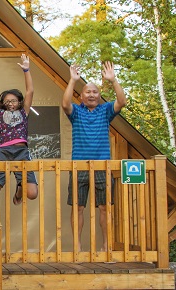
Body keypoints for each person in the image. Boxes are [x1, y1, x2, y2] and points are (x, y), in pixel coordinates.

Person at [60, 62, 127, 252]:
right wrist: (73, 80)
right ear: (81, 96)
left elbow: (121, 102)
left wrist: (113, 80)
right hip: (79, 165)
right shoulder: (77, 112)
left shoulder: (105, 111)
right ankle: (77, 246)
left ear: (99, 96)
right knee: (78, 207)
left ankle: (106, 245)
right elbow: (65, 103)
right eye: (87, 92)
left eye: (95, 92)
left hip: (102, 165)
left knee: (105, 207)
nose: (91, 94)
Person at [0, 54, 39, 205]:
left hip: (21, 153)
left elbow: (30, 91)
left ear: (19, 102)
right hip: (3, 152)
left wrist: (26, 70)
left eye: (14, 100)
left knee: (32, 193)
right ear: (3, 103)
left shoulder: (24, 112)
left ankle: (20, 189)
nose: (10, 103)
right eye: (7, 101)